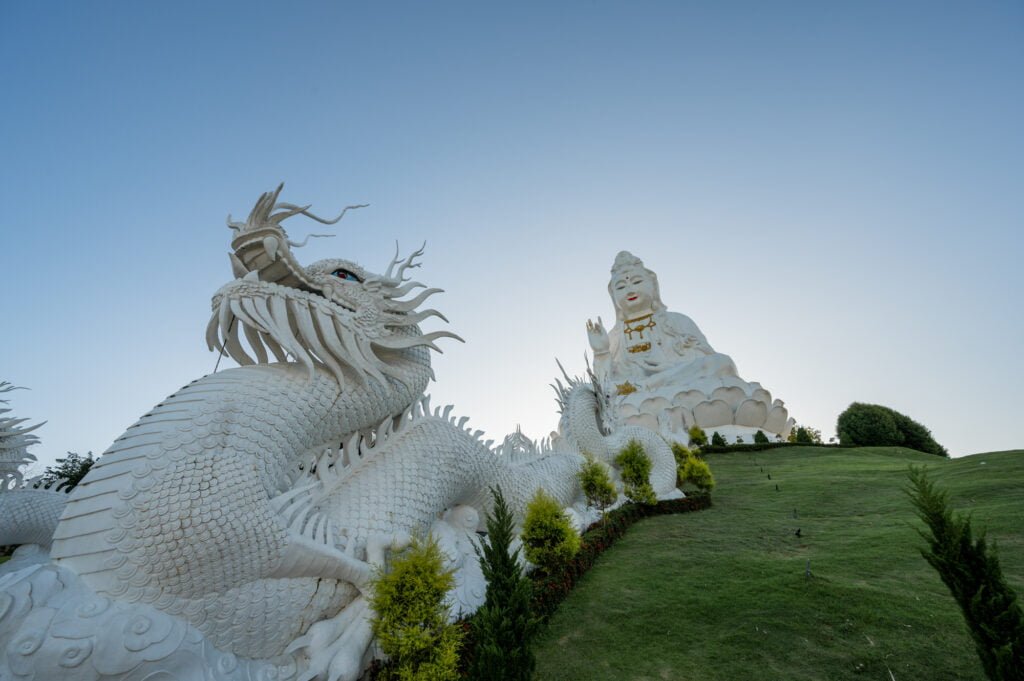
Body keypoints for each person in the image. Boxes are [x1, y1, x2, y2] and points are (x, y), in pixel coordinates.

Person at [587, 251, 739, 392]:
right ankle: (643, 387)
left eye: (637, 282)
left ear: (653, 285)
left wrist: (667, 366)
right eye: (621, 287)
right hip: (634, 391)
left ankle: (646, 386)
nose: (630, 290)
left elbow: (703, 359)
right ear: (613, 296)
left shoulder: (677, 321)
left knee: (721, 362)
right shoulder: (614, 336)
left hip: (676, 384)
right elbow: (604, 386)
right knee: (592, 391)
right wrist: (601, 352)